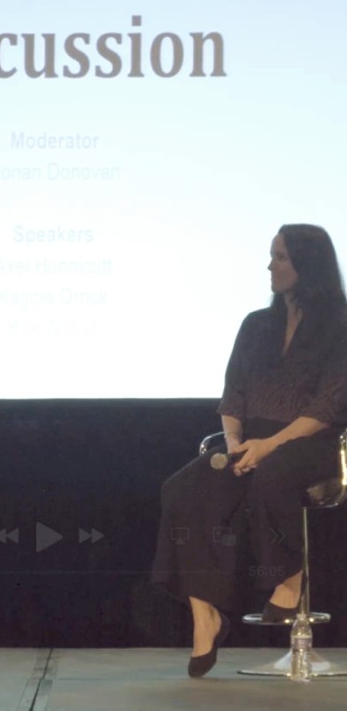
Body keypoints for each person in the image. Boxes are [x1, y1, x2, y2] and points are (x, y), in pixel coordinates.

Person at [152, 223, 347, 677]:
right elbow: (233, 394)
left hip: (310, 441)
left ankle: (289, 577)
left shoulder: (340, 326)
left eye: (279, 257)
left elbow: (331, 404)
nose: (270, 265)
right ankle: (206, 617)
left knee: (273, 472)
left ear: (306, 263)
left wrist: (270, 445)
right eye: (272, 255)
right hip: (252, 439)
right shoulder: (256, 325)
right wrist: (238, 442)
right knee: (182, 488)